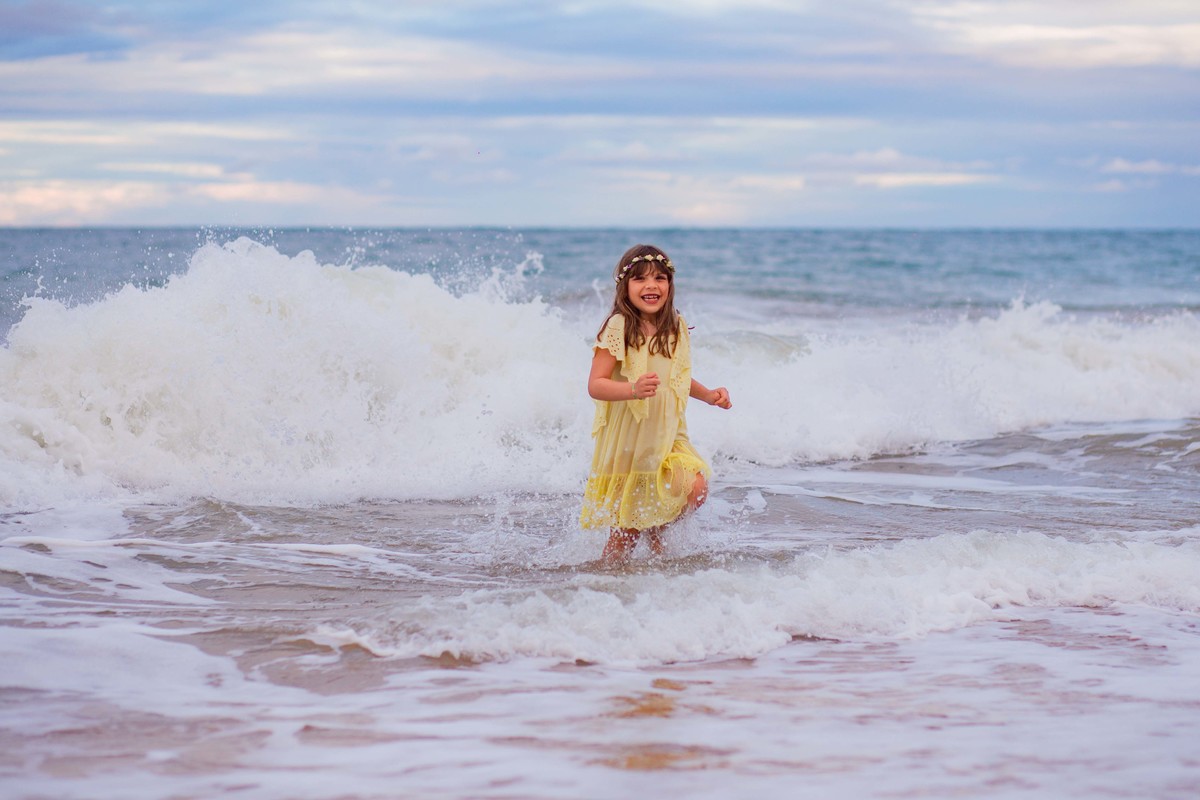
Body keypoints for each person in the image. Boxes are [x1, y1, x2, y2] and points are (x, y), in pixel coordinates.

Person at [580, 244, 732, 564]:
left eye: (660, 278)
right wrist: (632, 388)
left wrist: (708, 395)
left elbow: (676, 377)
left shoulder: (675, 326)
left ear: (670, 285)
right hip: (631, 442)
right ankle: (608, 584)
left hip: (668, 434)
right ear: (625, 287)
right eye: (641, 279)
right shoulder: (619, 326)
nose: (652, 285)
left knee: (695, 488)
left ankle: (657, 530)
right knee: (625, 536)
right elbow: (596, 385)